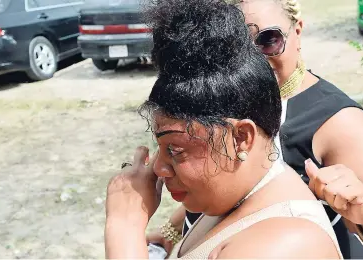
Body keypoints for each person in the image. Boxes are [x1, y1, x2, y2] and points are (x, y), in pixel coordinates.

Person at [147, 0, 363, 259]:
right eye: (235, 46)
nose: (254, 57)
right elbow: (225, 183)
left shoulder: (339, 122)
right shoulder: (231, 103)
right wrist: (172, 232)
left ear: (297, 31)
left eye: (268, 40)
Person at [104, 0, 345, 258]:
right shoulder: (238, 193)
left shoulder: (286, 244)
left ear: (241, 138)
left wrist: (125, 225)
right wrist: (169, 234)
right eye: (160, 148)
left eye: (175, 149)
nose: (159, 169)